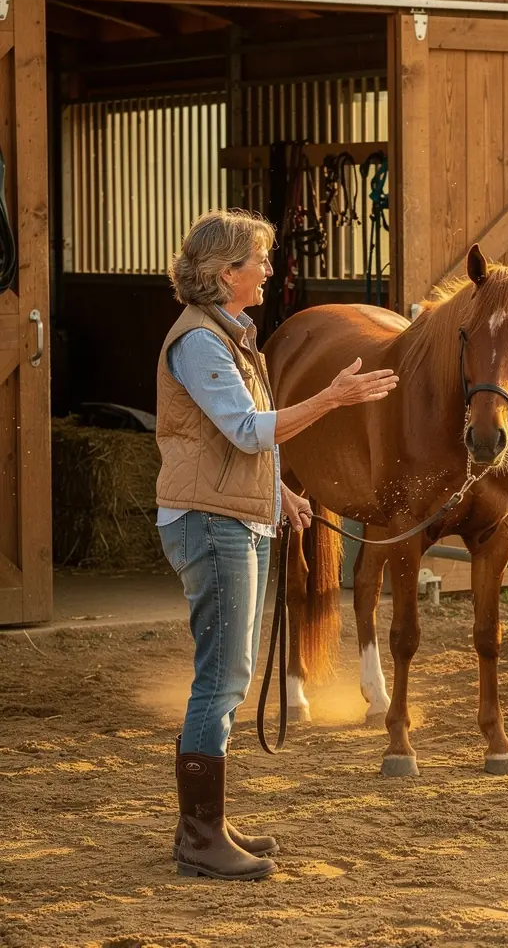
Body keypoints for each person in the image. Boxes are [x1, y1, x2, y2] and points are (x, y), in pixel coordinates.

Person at [156, 209, 398, 879]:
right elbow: (245, 430)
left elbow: (234, 444)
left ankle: (206, 825)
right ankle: (200, 838)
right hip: (211, 521)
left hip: (235, 513)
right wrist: (334, 398)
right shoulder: (201, 342)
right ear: (225, 272)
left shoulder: (231, 335)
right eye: (258, 260)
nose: (269, 269)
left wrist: (279, 496)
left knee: (226, 676)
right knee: (223, 677)